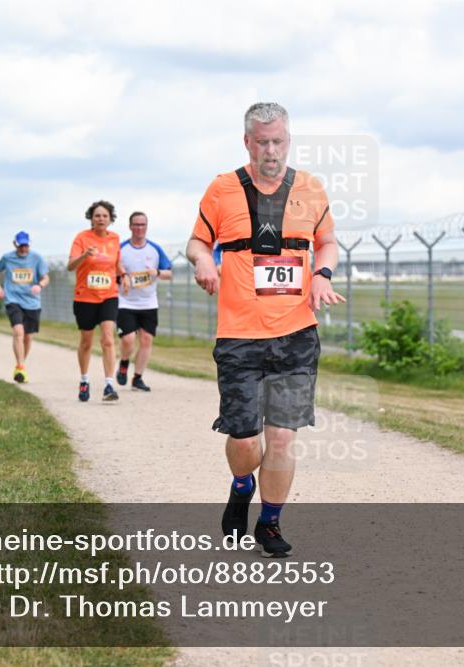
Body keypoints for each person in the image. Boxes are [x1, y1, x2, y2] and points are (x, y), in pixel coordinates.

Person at [185, 102, 346, 557]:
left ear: (287, 140)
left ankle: (269, 523)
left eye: (278, 141)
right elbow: (198, 240)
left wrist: (322, 275)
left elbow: (327, 241)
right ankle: (241, 484)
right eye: (262, 142)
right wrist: (202, 262)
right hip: (238, 334)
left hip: (296, 333)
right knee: (245, 439)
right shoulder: (221, 189)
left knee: (281, 437)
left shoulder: (311, 188)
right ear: (247, 142)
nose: (271, 151)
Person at [68, 200, 129, 402]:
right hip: (85, 297)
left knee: (108, 339)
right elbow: (70, 266)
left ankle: (109, 384)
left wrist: (124, 275)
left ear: (110, 219)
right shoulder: (82, 238)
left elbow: (117, 262)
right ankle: (84, 380)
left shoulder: (115, 239)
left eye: (104, 215)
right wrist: (85, 255)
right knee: (86, 342)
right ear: (91, 218)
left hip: (108, 296)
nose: (101, 219)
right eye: (97, 215)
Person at [117, 211, 173, 392]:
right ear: (130, 226)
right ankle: (124, 363)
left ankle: (138, 378)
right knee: (128, 339)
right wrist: (122, 278)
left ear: (146, 227)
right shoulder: (121, 249)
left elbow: (169, 273)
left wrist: (157, 273)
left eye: (143, 225)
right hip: (125, 302)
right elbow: (111, 272)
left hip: (148, 302)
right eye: (136, 224)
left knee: (147, 339)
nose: (140, 228)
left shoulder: (155, 249)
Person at [0, 231, 50, 383]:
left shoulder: (37, 258)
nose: (24, 249)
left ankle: (20, 365)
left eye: (26, 245)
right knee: (18, 331)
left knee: (28, 337)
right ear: (15, 244)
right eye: (21, 246)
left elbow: (45, 277)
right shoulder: (7, 257)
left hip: (32, 302)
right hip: (13, 300)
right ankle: (21, 367)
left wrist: (40, 285)